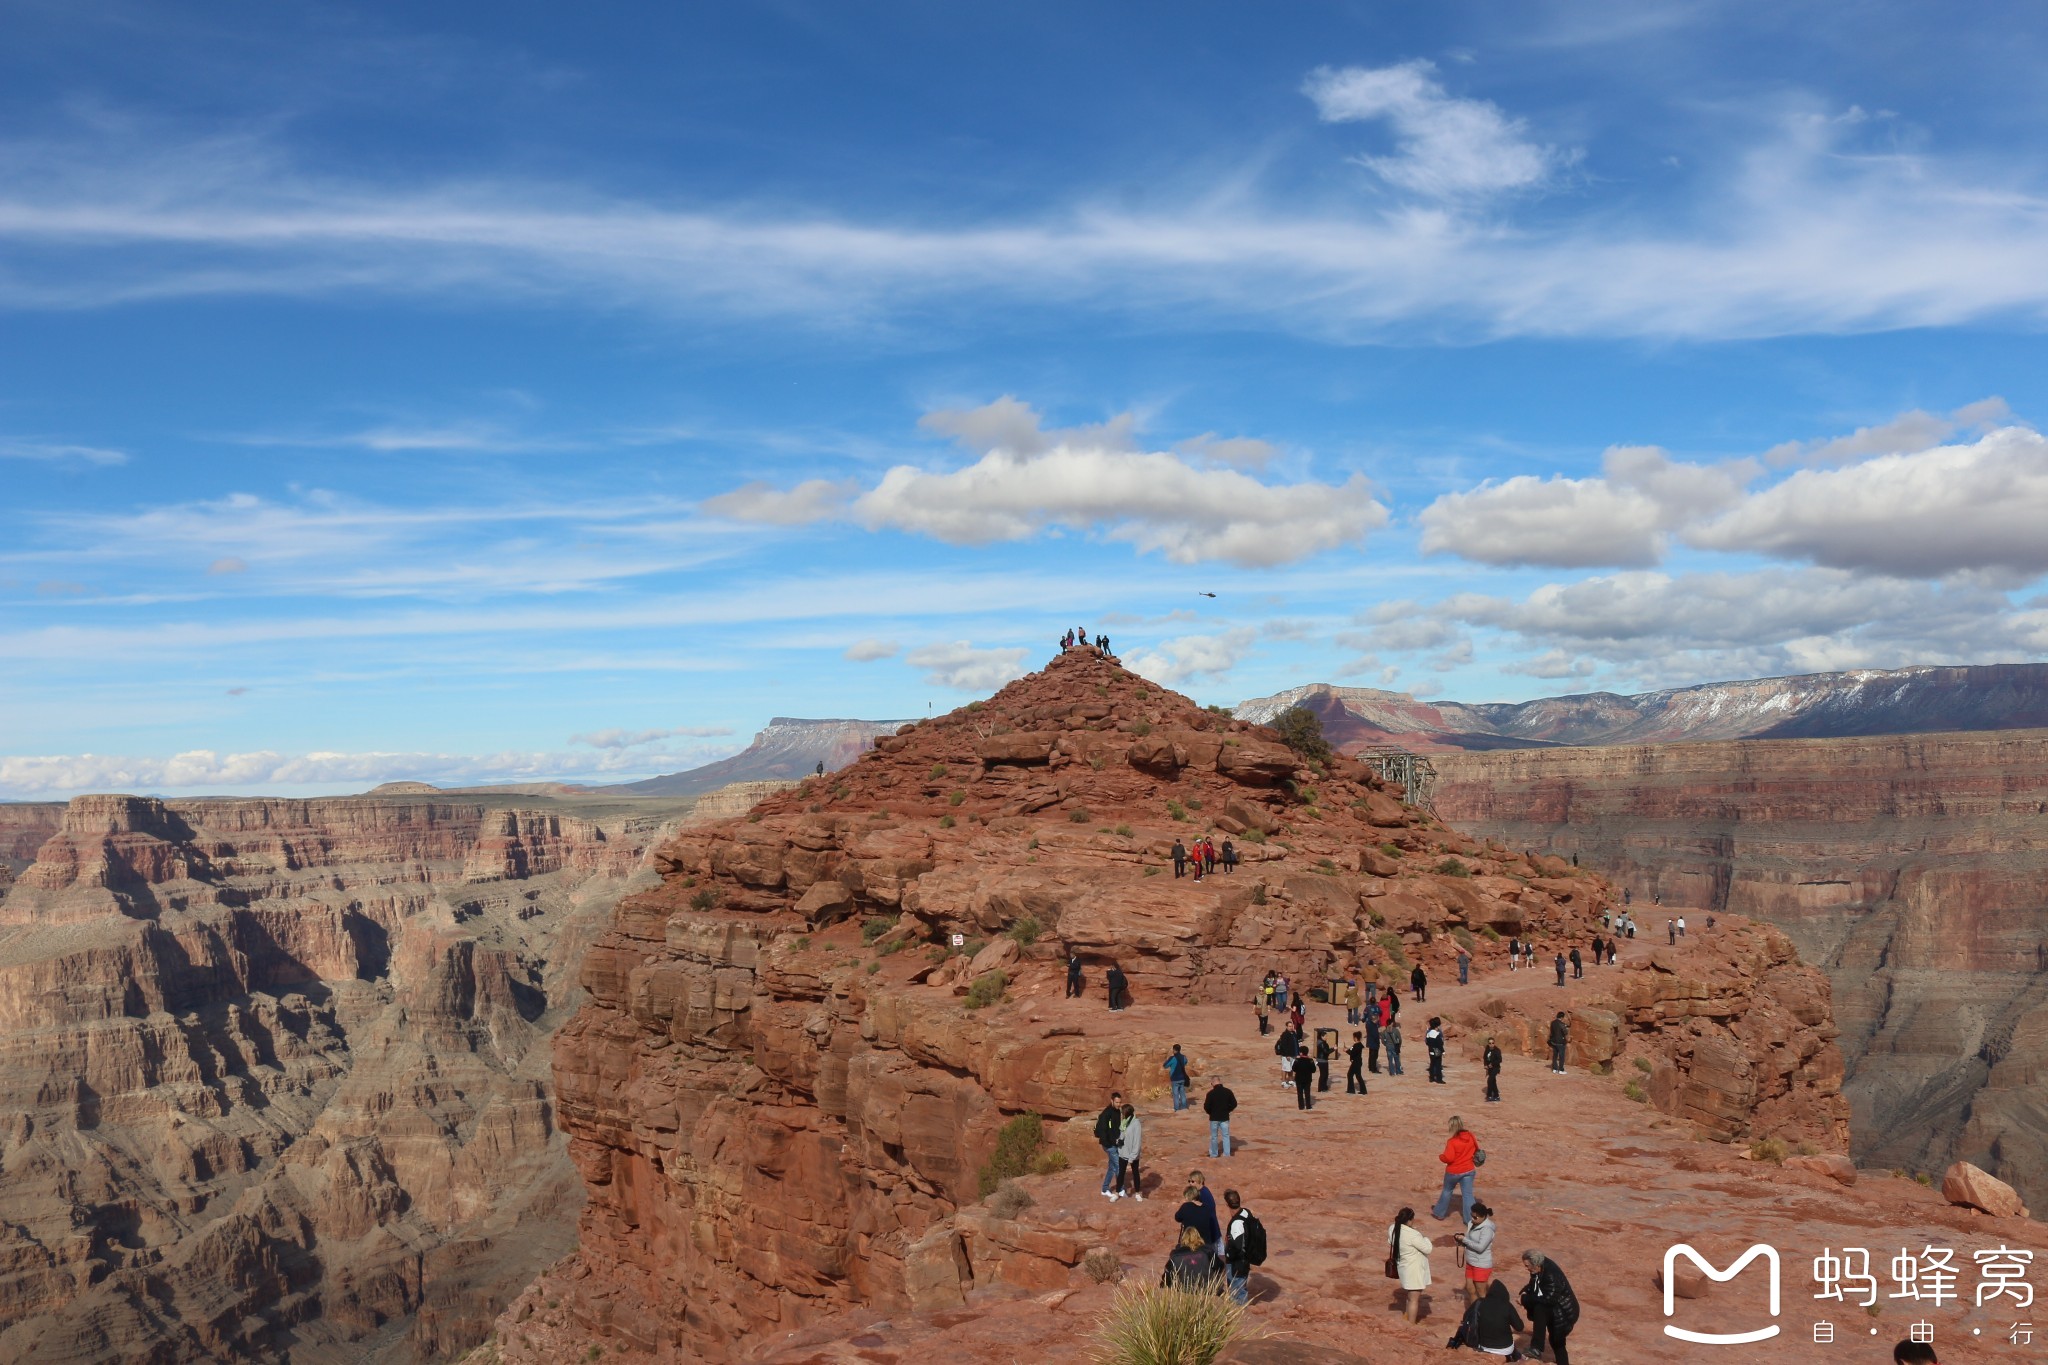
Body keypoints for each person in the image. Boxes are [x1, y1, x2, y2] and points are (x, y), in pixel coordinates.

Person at [1520, 1249, 1579, 1364]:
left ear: (1536, 1264)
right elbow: (1535, 1284)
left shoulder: (1551, 1274)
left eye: (1527, 1266)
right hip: (1555, 1309)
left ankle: (1536, 1348)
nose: (1526, 1268)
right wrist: (1526, 1291)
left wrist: (1525, 1299)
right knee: (1557, 1342)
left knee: (1556, 1339)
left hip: (1563, 1313)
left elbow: (1549, 1299)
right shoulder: (1538, 1268)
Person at [1431, 1116, 1478, 1223]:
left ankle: (1439, 1213)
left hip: (1454, 1171)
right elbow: (1477, 1150)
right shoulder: (1471, 1136)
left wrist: (1441, 1157)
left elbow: (1449, 1158)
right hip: (1469, 1170)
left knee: (1447, 1191)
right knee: (1468, 1195)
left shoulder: (1452, 1142)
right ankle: (1471, 1219)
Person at [1390, 1207, 1432, 1323]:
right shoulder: (1414, 1235)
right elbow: (1428, 1249)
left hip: (1404, 1267)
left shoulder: (1393, 1228)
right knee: (1414, 1299)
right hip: (1414, 1269)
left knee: (1409, 1296)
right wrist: (1425, 1238)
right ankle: (1411, 1324)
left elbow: (1391, 1241)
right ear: (1409, 1220)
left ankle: (1406, 1317)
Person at [1464, 1278, 1524, 1357]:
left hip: (1484, 1346)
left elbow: (1466, 1317)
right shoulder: (1507, 1305)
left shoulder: (1479, 1302)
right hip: (1505, 1348)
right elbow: (1519, 1327)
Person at [1454, 1201, 1498, 1308]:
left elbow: (1480, 1247)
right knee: (1470, 1289)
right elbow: (1470, 1239)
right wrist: (1462, 1240)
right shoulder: (1472, 1223)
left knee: (1481, 1293)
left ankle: (1484, 1317)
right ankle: (1473, 1315)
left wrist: (1464, 1240)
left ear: (1483, 1217)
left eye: (1475, 1217)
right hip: (1471, 1262)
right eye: (1472, 1216)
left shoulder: (1487, 1229)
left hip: (1481, 1264)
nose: (1473, 1219)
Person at [1161, 1225, 1222, 1291]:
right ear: (1198, 1237)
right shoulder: (1208, 1252)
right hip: (1206, 1291)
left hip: (1183, 1291)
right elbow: (1220, 1267)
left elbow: (1166, 1278)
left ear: (1183, 1238)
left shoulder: (1176, 1255)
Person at [1174, 1182, 1222, 1260]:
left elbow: (1177, 1217)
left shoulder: (1186, 1207)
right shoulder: (1207, 1208)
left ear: (1188, 1196)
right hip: (1206, 1244)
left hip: (1190, 1243)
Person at [1222, 1190, 1254, 1305]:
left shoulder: (1236, 1223)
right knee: (1240, 1289)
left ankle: (1240, 1318)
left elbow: (1237, 1246)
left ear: (1227, 1204)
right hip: (1245, 1261)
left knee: (1237, 1294)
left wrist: (1228, 1256)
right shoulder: (1246, 1212)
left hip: (1237, 1264)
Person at [1095, 1091, 1126, 1196]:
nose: (1119, 1104)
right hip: (1109, 1145)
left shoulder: (1117, 1111)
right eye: (1117, 1102)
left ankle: (1104, 1189)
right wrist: (1109, 1144)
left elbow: (1115, 1129)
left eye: (1120, 1102)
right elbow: (1104, 1131)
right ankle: (1121, 1190)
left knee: (1112, 1167)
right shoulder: (1106, 1114)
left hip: (1114, 1144)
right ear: (1112, 1101)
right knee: (1119, 1166)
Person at [1115, 1103, 1144, 1200]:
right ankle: (1117, 1192)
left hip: (1132, 1154)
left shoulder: (1136, 1123)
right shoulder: (1124, 1122)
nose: (1121, 1114)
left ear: (1127, 1113)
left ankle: (1137, 1193)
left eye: (1122, 1112)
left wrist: (1132, 1157)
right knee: (1121, 1173)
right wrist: (1119, 1140)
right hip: (1123, 1152)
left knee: (1135, 1173)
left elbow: (1137, 1141)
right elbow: (1122, 1134)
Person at [1203, 1078, 1237, 1158]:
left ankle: (1214, 1154)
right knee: (1225, 1136)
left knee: (1214, 1137)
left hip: (1214, 1118)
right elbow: (1234, 1104)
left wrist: (1210, 1113)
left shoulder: (1210, 1093)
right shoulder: (1228, 1092)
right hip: (1224, 1117)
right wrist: (1228, 1110)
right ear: (1220, 1082)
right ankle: (1227, 1154)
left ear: (1212, 1083)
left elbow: (1206, 1107)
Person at [1164, 1044, 1192, 1111]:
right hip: (1182, 1078)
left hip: (1175, 1078)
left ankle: (1176, 1108)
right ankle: (1184, 1107)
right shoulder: (1183, 1057)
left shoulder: (1173, 1058)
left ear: (1174, 1050)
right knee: (1182, 1093)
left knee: (1176, 1094)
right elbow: (1185, 1062)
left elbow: (1165, 1066)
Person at [1425, 1017, 1447, 1085]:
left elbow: (1427, 1042)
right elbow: (1440, 1044)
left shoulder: (1428, 1033)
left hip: (1430, 1050)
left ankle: (1431, 1078)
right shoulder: (1437, 1034)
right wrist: (1443, 1052)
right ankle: (1439, 1079)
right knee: (1438, 1065)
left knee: (1432, 1064)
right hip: (1437, 1051)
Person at [1365, 992, 1382, 1072]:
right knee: (1374, 1053)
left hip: (1369, 1031)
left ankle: (1370, 1066)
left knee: (1371, 1051)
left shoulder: (1367, 1008)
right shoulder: (1377, 1008)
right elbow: (1381, 1013)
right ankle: (1373, 1068)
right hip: (1374, 1037)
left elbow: (1364, 1017)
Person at [1482, 1036, 1503, 1103]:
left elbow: (1500, 1060)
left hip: (1495, 1068)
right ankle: (1496, 1096)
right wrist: (1485, 1065)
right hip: (1489, 1068)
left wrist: (1492, 1064)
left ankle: (1489, 1095)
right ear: (1488, 1043)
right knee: (1493, 1081)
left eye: (1492, 1043)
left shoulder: (1497, 1050)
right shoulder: (1487, 1048)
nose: (1491, 1044)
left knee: (1490, 1080)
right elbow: (1485, 1057)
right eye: (1490, 1043)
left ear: (1494, 1043)